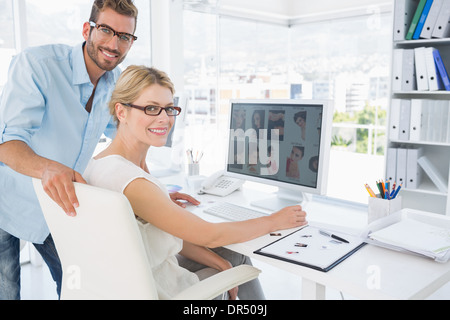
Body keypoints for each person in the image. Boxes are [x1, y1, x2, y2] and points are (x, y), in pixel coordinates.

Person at [83, 65, 308, 300]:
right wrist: (273, 221)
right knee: (236, 255)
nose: (164, 119)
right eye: (151, 108)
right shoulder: (131, 180)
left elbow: (157, 230)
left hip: (138, 277)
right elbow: (209, 235)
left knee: (229, 256)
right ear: (121, 112)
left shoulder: (101, 164)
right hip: (161, 289)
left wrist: (219, 262)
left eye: (169, 109)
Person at [0, 0, 139, 300]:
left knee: (84, 283)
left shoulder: (115, 85)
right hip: (7, 197)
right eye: (106, 30)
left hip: (56, 205)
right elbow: (8, 143)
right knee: (6, 288)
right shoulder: (38, 65)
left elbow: (127, 142)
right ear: (87, 29)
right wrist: (48, 168)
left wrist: (154, 189)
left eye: (124, 36)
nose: (114, 44)